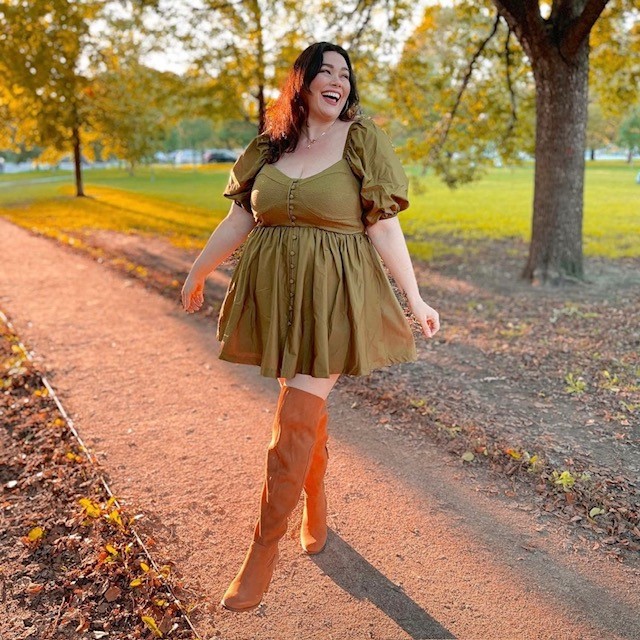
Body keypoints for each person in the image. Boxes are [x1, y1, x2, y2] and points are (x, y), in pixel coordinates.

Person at [181, 41, 440, 612]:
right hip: (279, 298)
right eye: (323, 71)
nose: (336, 81)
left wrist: (414, 297)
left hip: (336, 299)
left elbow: (386, 229)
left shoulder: (361, 140)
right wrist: (198, 272)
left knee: (293, 417)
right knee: (302, 411)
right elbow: (238, 219)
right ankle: (315, 498)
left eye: (344, 74)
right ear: (300, 83)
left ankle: (261, 549)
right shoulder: (270, 146)